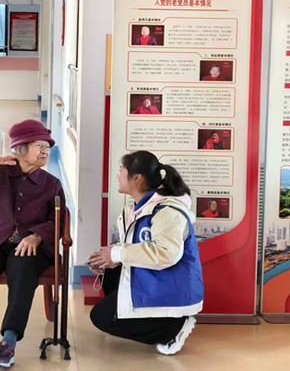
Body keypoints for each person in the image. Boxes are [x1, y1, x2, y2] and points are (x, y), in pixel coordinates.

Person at [0, 119, 66, 368]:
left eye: (47, 146)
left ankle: (8, 342)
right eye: (39, 146)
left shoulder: (51, 183)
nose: (45, 151)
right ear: (21, 148)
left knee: (24, 268)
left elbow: (58, 219)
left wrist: (37, 235)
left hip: (30, 245)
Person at [87, 151, 203, 356]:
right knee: (109, 272)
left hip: (170, 284)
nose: (118, 176)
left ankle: (173, 328)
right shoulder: (136, 209)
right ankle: (153, 320)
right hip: (155, 278)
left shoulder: (167, 211)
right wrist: (109, 260)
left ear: (137, 178)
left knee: (101, 318)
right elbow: (135, 247)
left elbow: (166, 253)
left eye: (121, 170)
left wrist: (117, 254)